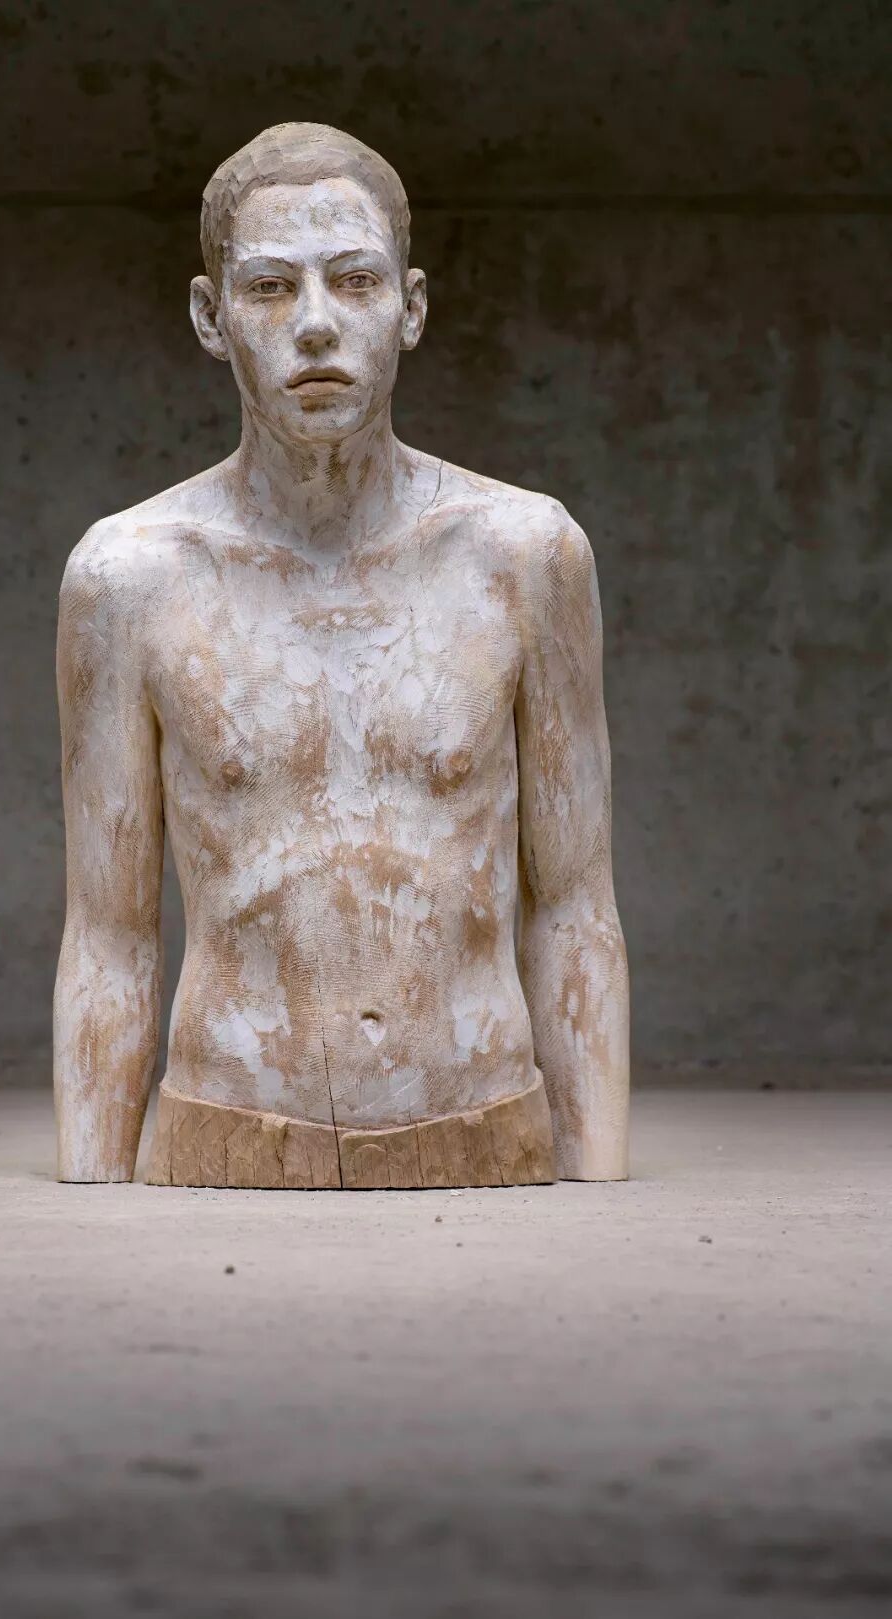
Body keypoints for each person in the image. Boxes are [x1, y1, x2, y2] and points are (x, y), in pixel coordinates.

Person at [53, 123, 629, 1188]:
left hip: (487, 1126)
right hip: (219, 1127)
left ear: (410, 306)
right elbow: (108, 931)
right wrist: (91, 1185)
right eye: (271, 288)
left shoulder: (524, 556)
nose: (316, 323)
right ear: (211, 316)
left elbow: (575, 903)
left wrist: (598, 1178)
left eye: (354, 280)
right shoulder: (130, 579)